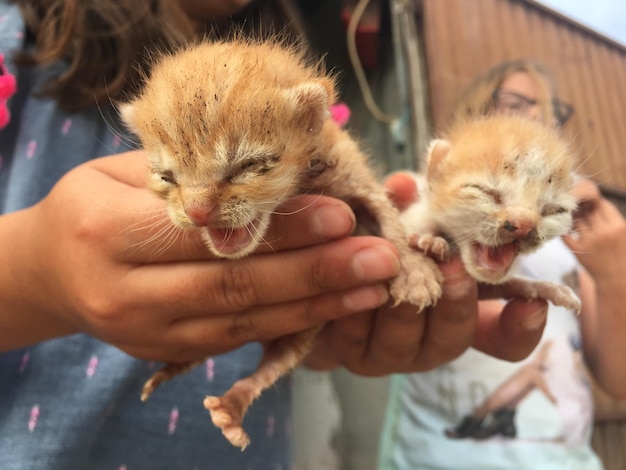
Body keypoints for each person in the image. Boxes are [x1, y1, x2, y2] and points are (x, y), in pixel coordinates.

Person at [0, 3, 549, 468]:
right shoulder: (14, 39)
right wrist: (34, 274)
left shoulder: (285, 86)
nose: (196, 209)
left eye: (241, 170)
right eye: (169, 176)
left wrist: (327, 308)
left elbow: (354, 215)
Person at [378, 59, 626, 469]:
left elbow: (618, 380)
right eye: (515, 102)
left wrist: (617, 275)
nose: (535, 117)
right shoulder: (432, 193)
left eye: (547, 111)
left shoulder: (572, 237)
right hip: (435, 457)